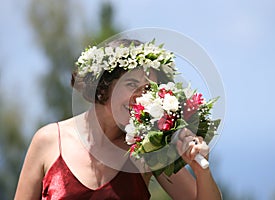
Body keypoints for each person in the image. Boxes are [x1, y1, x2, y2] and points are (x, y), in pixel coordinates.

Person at [15, 39, 222, 200]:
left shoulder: (148, 150)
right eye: (131, 84)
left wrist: (200, 170)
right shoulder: (48, 140)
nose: (140, 98)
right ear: (103, 86)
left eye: (149, 90)